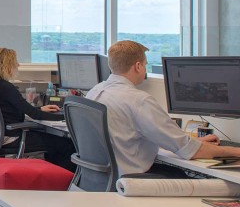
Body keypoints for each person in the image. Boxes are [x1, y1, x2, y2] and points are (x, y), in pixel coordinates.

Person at [85, 40, 240, 177]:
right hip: (131, 179)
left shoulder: (95, 91)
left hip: (104, 176)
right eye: (145, 65)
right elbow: (190, 151)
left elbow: (131, 136)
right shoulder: (139, 100)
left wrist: (192, 142)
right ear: (138, 66)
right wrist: (235, 151)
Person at [0, 47, 76, 171]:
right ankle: (64, 185)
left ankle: (50, 181)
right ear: (7, 65)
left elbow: (22, 108)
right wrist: (67, 116)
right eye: (15, 62)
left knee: (54, 143)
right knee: (67, 145)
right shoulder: (7, 88)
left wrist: (41, 108)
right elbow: (35, 115)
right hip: (13, 138)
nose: (18, 65)